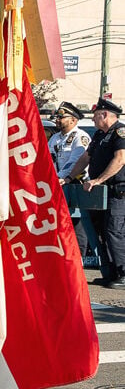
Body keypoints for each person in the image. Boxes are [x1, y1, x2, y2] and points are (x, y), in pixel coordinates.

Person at [67, 96, 125, 288]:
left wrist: (99, 180)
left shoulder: (120, 132)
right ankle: (110, 273)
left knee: (114, 231)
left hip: (117, 192)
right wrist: (69, 177)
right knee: (100, 230)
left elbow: (120, 159)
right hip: (100, 193)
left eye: (94, 116)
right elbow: (85, 158)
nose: (92, 120)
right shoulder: (100, 135)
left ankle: (123, 273)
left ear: (104, 114)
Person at [50, 102, 94, 266]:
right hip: (58, 184)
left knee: (78, 223)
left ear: (73, 120)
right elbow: (48, 160)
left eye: (62, 117)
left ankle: (79, 259)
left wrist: (61, 177)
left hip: (75, 183)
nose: (58, 120)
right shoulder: (55, 138)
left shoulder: (80, 137)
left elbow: (75, 161)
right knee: (59, 222)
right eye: (58, 117)